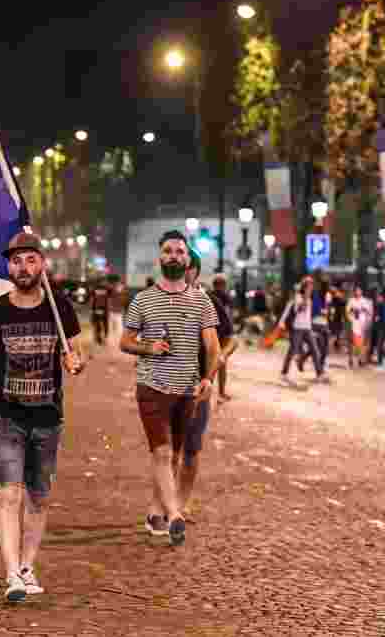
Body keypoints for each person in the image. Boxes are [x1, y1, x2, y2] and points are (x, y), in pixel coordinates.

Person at [0, 232, 83, 602]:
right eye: (16, 261)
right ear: (8, 267)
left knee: (38, 499)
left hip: (48, 418)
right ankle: (11, 573)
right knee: (9, 494)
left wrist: (76, 362)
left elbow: (75, 353)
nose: (23, 267)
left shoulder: (59, 308)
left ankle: (28, 566)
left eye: (30, 260)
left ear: (42, 263)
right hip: (5, 418)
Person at [120, 230, 219, 545]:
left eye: (179, 251)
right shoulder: (143, 299)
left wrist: (208, 379)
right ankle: (175, 514)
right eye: (168, 251)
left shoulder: (202, 300)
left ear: (188, 259)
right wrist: (149, 348)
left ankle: (154, 511)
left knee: (173, 456)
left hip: (186, 390)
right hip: (152, 388)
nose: (174, 255)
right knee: (162, 453)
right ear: (159, 258)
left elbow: (214, 347)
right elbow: (125, 342)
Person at [177, 249, 235, 520]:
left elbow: (231, 338)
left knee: (191, 449)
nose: (181, 271)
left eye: (187, 267)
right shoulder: (165, 300)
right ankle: (166, 503)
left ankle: (182, 503)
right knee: (167, 450)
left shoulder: (209, 301)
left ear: (195, 271)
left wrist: (219, 358)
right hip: (168, 385)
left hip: (199, 387)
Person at [278, 276, 329, 384]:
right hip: (298, 328)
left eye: (312, 286)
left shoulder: (309, 298)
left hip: (307, 328)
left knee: (315, 350)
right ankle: (284, 373)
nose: (311, 288)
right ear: (305, 286)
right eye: (309, 286)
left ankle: (319, 374)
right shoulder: (298, 297)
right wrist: (305, 297)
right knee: (292, 351)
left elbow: (308, 314)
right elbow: (299, 309)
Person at [210, 274, 235, 401]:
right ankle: (221, 392)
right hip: (223, 334)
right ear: (223, 285)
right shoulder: (226, 298)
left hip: (211, 333)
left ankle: (209, 391)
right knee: (221, 363)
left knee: (210, 363)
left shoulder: (208, 296)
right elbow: (229, 315)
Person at [368, 290, 385, 365]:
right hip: (375, 327)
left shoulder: (383, 305)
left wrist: (378, 317)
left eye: (379, 297)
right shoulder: (375, 305)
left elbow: (383, 317)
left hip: (381, 327)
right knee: (373, 343)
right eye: (377, 297)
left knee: (379, 344)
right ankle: (370, 358)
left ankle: (379, 360)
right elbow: (373, 315)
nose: (378, 298)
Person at [90, 279, 110, 345]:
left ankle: (99, 339)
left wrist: (92, 309)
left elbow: (92, 300)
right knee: (104, 324)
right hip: (103, 309)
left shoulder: (94, 289)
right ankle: (103, 338)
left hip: (97, 309)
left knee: (98, 325)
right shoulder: (107, 289)